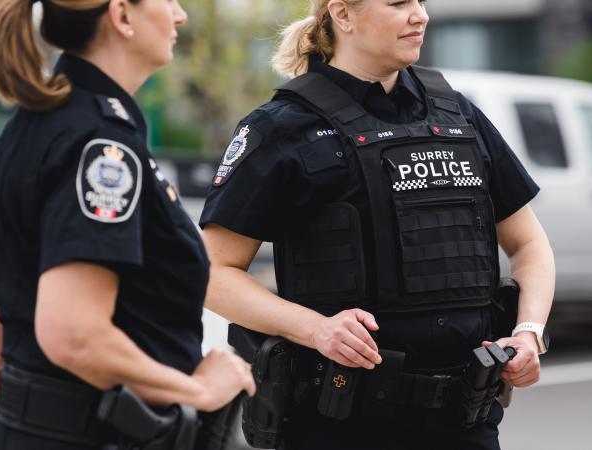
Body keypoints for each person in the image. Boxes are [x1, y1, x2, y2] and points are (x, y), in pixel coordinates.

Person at [201, 0, 555, 449]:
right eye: (398, 3)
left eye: (422, 2)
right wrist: (316, 329)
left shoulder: (458, 115)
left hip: (465, 423)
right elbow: (212, 271)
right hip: (340, 423)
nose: (420, 15)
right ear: (343, 14)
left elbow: (528, 244)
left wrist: (529, 332)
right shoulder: (282, 127)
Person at [0, 0, 255, 448]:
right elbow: (74, 334)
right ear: (123, 16)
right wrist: (198, 391)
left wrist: (33, 419)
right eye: (168, 1)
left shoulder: (26, 130)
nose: (180, 15)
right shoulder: (101, 144)